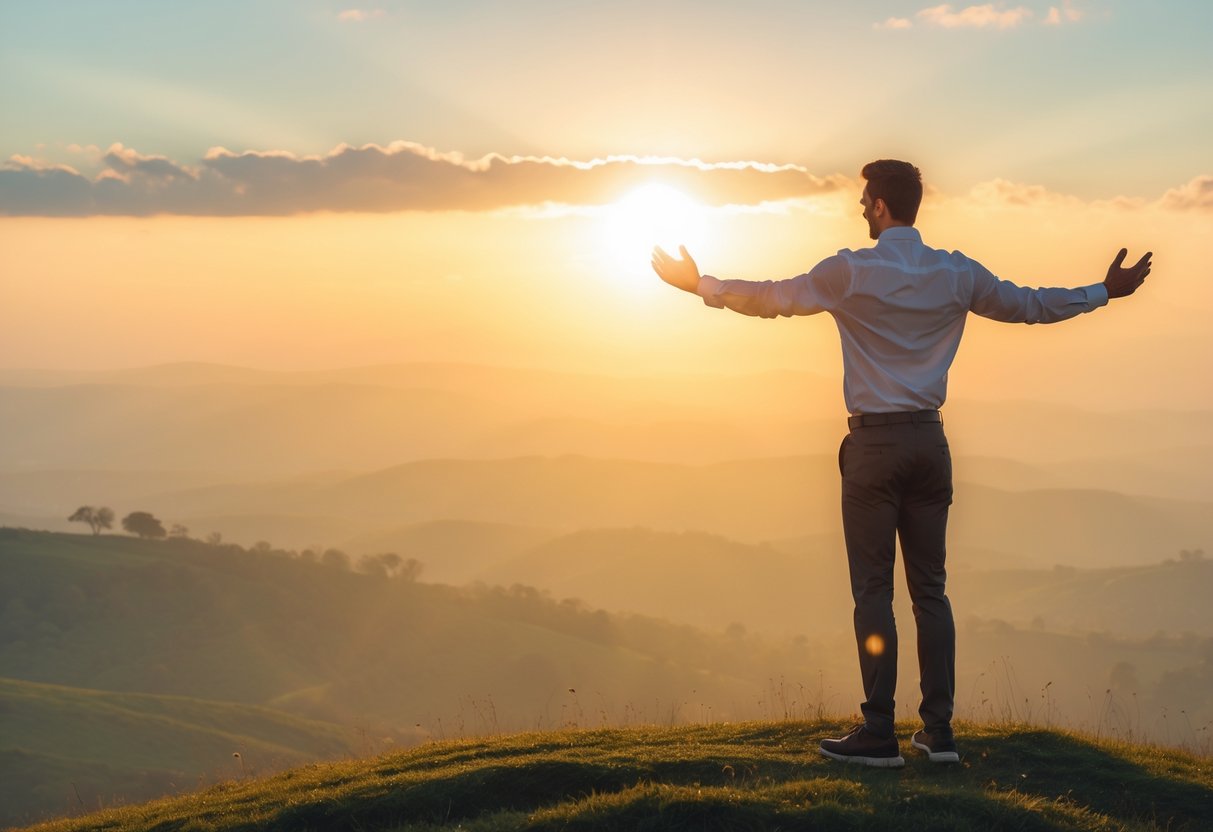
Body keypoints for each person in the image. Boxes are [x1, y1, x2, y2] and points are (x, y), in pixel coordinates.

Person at [650, 159, 1152, 768]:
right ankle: (939, 734)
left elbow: (771, 299)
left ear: (882, 206)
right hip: (929, 445)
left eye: (866, 200)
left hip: (874, 448)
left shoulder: (850, 271)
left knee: (872, 592)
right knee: (931, 592)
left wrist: (698, 283)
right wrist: (1105, 292)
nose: (861, 208)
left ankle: (879, 732)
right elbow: (1030, 305)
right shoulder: (956, 273)